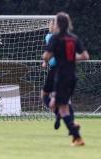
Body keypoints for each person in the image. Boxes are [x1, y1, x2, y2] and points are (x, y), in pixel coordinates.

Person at [42, 12, 89, 146]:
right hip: (72, 76)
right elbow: (85, 56)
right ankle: (73, 129)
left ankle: (77, 136)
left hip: (60, 75)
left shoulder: (55, 38)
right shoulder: (74, 38)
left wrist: (46, 57)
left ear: (57, 24)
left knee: (61, 108)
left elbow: (46, 56)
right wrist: (72, 58)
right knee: (62, 106)